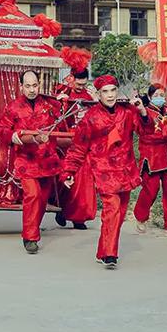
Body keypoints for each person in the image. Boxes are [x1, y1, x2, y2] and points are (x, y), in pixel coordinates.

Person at [61, 75, 150, 269]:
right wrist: (69, 172)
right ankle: (110, 254)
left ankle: (103, 250)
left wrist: (143, 112)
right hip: (104, 171)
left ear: (117, 91)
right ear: (98, 94)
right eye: (105, 92)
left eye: (112, 91)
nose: (109, 95)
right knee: (112, 210)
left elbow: (146, 133)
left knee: (119, 214)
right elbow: (78, 148)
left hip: (126, 170)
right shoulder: (90, 117)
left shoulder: (128, 112)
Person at [0, 69, 64, 255]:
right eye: (28, 86)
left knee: (42, 200)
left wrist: (65, 102)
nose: (32, 89)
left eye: (35, 85)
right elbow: (0, 130)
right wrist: (13, 136)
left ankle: (33, 227)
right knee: (32, 195)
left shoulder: (50, 106)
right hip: (26, 160)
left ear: (39, 85)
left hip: (48, 160)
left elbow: (64, 123)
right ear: (21, 86)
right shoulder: (13, 107)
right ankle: (30, 237)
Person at [53, 67, 98, 230]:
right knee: (63, 177)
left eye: (83, 84)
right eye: (78, 84)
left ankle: (78, 216)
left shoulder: (87, 96)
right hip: (64, 140)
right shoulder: (61, 91)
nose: (81, 87)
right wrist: (61, 102)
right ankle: (61, 208)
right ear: (72, 78)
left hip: (82, 142)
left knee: (83, 178)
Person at [132, 85, 167, 233]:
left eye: (163, 95)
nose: (161, 97)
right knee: (150, 190)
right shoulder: (144, 112)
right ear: (151, 97)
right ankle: (141, 216)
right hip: (151, 156)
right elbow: (149, 134)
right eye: (157, 95)